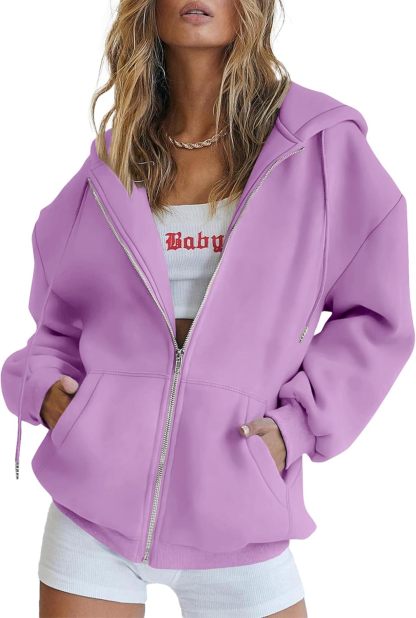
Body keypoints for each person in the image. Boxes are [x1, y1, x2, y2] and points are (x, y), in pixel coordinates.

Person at [1, 1, 414, 617]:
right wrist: (47, 394)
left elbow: (377, 316)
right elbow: (58, 320)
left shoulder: (318, 147)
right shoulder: (115, 160)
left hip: (239, 507)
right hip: (94, 513)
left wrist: (295, 428)